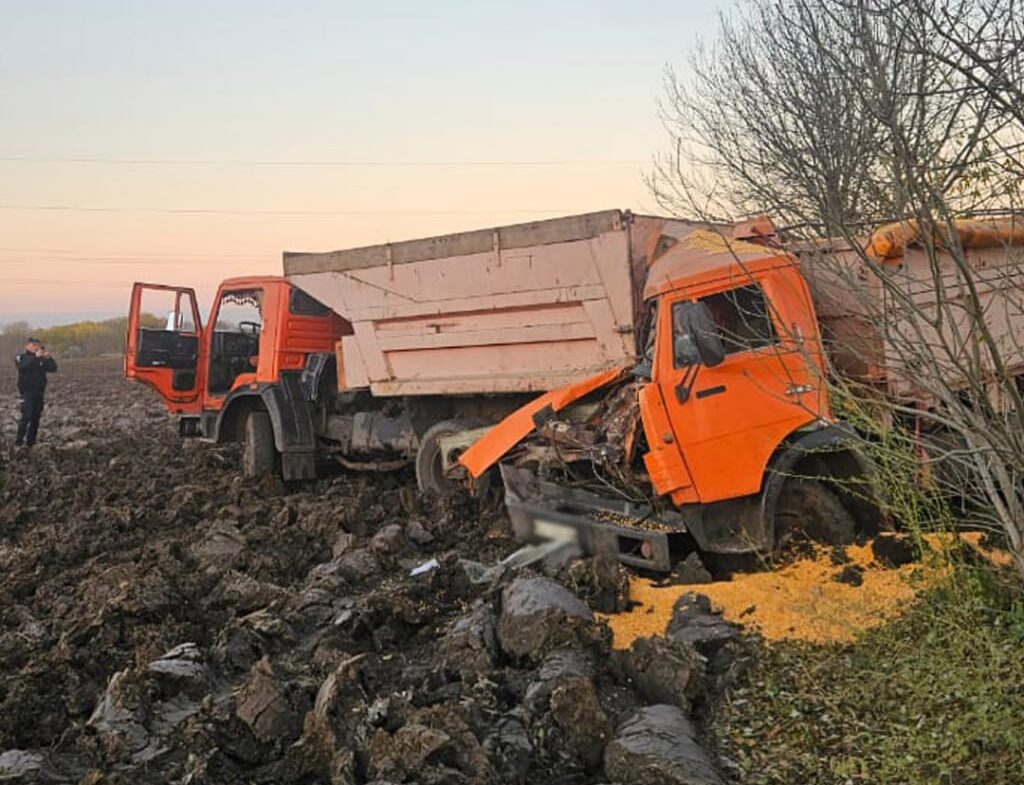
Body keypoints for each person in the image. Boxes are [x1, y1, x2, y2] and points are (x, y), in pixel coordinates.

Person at [14, 338, 57, 447]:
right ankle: (19, 441)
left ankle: (31, 442)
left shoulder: (41, 359)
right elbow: (23, 367)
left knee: (35, 417)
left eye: (37, 345)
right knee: (26, 416)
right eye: (33, 345)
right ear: (27, 346)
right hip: (27, 392)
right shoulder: (21, 357)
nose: (36, 347)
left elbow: (53, 368)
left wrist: (48, 357)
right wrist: (35, 358)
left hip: (39, 392)